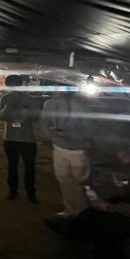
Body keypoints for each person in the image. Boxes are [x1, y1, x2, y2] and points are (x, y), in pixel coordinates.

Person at [42, 90, 93, 219]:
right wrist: (52, 134)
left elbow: (89, 128)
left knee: (79, 183)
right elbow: (45, 124)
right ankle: (70, 209)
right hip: (59, 147)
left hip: (78, 150)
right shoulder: (49, 104)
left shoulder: (80, 104)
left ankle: (82, 212)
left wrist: (70, 134)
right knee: (63, 180)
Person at [0, 75, 39, 202]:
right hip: (10, 138)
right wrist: (7, 108)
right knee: (12, 166)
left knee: (29, 166)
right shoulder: (5, 98)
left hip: (27, 139)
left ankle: (31, 192)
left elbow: (36, 118)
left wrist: (28, 111)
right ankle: (13, 190)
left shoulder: (29, 99)